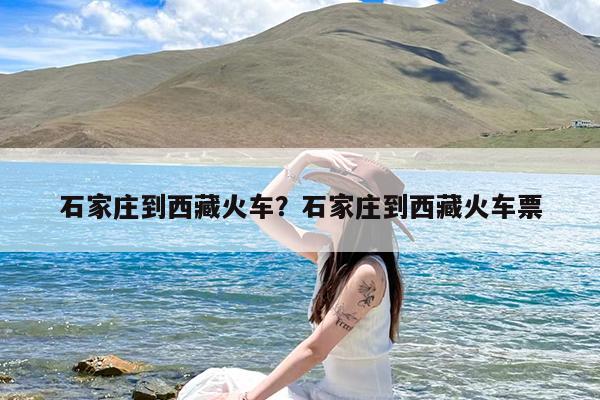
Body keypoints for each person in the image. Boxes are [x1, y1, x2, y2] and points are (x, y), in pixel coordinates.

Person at [177, 150, 415, 400]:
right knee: (216, 380)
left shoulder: (367, 274)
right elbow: (263, 214)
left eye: (331, 196)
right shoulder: (331, 255)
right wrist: (301, 160)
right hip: (325, 392)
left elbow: (315, 350)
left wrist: (247, 398)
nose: (322, 202)